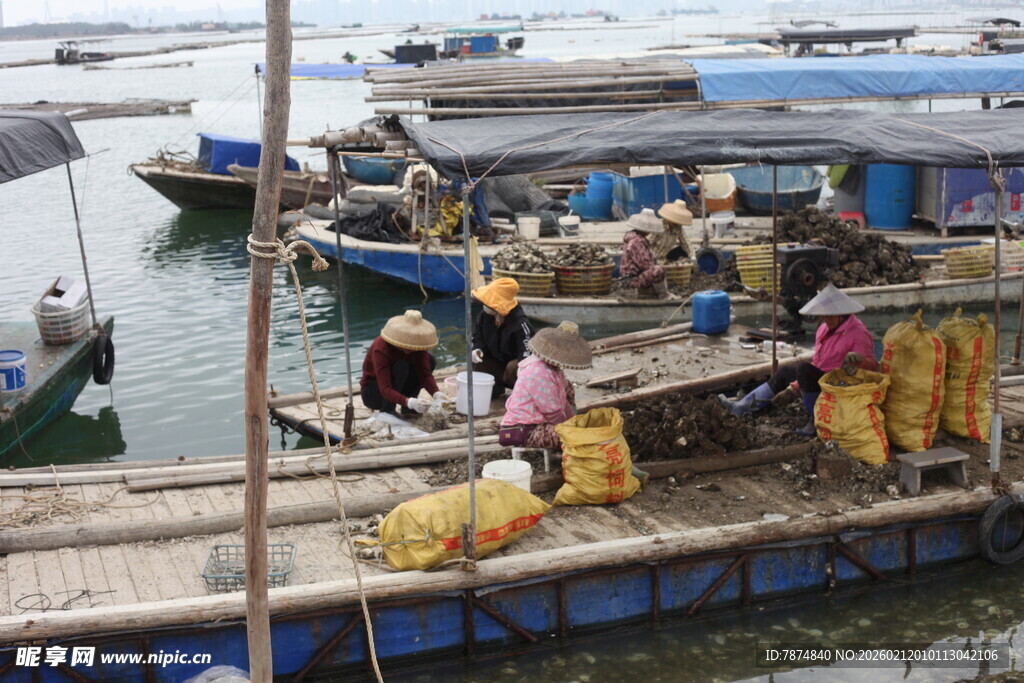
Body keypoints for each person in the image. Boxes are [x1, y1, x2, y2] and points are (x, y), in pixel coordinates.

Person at [719, 284, 877, 435]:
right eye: (824, 315)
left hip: (841, 384)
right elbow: (818, 363)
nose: (826, 319)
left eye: (830, 315)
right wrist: (792, 388)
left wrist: (859, 361)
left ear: (843, 313)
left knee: (803, 369)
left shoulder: (858, 332)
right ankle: (742, 407)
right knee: (786, 371)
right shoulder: (823, 329)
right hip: (822, 378)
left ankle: (815, 419)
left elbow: (872, 367)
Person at [499, 321, 592, 450]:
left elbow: (563, 402)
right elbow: (552, 412)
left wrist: (573, 421)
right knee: (576, 437)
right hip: (524, 429)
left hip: (539, 422)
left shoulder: (554, 370)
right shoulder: (540, 372)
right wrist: (569, 427)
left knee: (568, 387)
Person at [361, 310, 446, 416]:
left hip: (399, 385)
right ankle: (388, 409)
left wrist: (436, 393)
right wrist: (409, 402)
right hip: (375, 392)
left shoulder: (418, 346)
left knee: (430, 360)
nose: (410, 350)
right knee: (401, 365)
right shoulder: (381, 348)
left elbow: (424, 374)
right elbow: (385, 388)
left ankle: (408, 408)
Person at [470, 277, 534, 398]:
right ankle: (493, 392)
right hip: (496, 364)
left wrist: (522, 367)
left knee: (515, 366)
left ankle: (520, 396)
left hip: (513, 372)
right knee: (478, 360)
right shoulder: (484, 316)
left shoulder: (520, 323)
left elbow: (526, 350)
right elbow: (477, 337)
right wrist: (477, 349)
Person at [620, 209, 677, 300]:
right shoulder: (636, 242)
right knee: (658, 270)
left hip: (634, 276)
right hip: (631, 280)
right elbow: (644, 265)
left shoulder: (636, 239)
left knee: (657, 269)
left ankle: (658, 293)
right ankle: (663, 295)